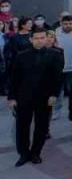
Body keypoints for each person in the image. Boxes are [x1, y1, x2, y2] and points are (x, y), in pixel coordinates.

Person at [9, 29, 64, 166]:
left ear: (47, 38)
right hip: (24, 96)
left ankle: (35, 153)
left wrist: (54, 95)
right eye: (36, 38)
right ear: (31, 39)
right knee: (22, 127)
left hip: (45, 97)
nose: (39, 40)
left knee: (42, 127)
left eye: (42, 37)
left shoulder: (55, 55)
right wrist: (12, 98)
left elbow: (57, 78)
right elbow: (14, 78)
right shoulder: (21, 56)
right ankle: (23, 154)